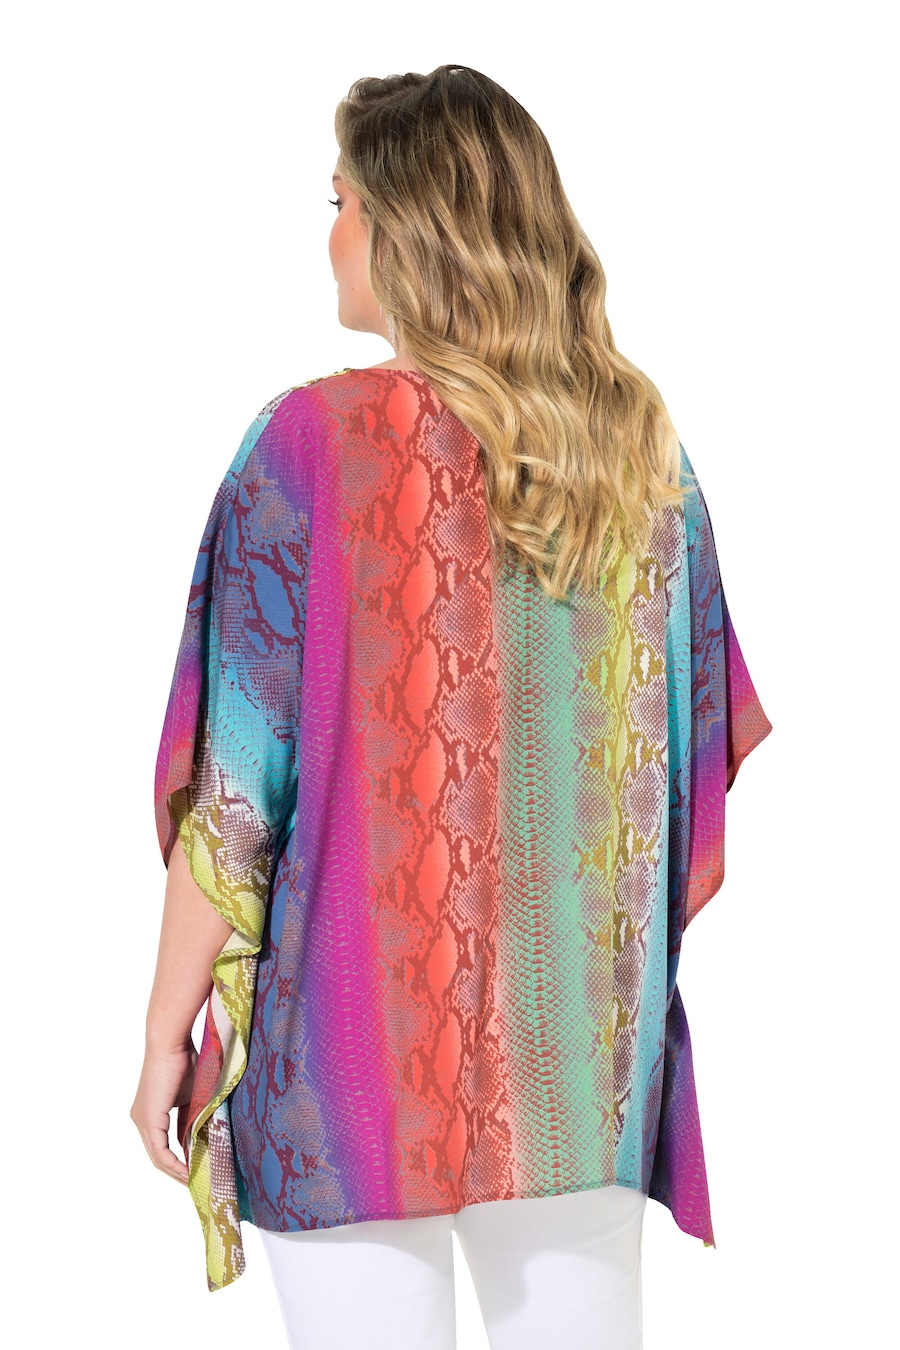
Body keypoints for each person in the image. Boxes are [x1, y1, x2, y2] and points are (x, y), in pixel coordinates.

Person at [131, 64, 771, 1350]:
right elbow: (691, 769)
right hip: (580, 1071)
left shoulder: (309, 449)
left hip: (350, 1068)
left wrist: (162, 1041)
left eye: (342, 204)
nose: (331, 236)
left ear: (407, 228)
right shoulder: (640, 460)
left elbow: (236, 807)